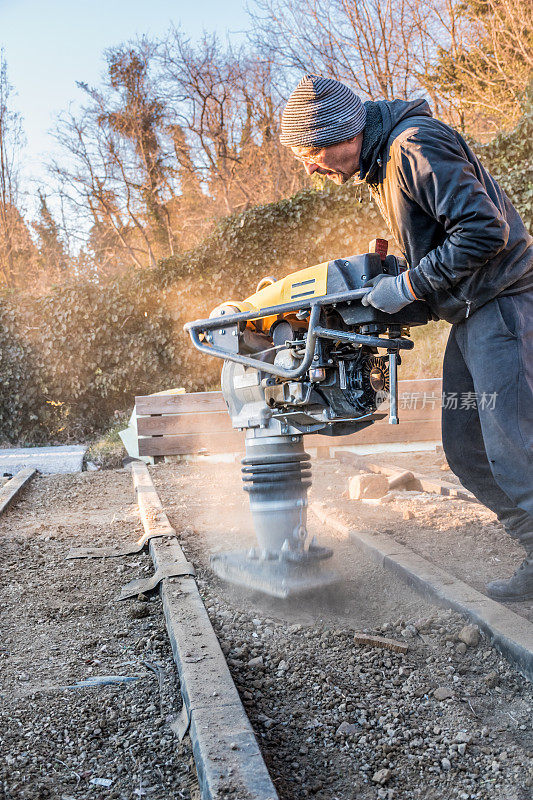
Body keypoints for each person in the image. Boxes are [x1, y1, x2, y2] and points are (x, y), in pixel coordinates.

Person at [280, 74, 533, 602]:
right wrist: (398, 273)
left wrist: (411, 283)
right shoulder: (385, 164)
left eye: (309, 150)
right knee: (467, 447)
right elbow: (447, 236)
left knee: (514, 447)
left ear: (340, 132)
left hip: (503, 305)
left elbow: (487, 230)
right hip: (472, 312)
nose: (309, 167)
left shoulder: (412, 145)